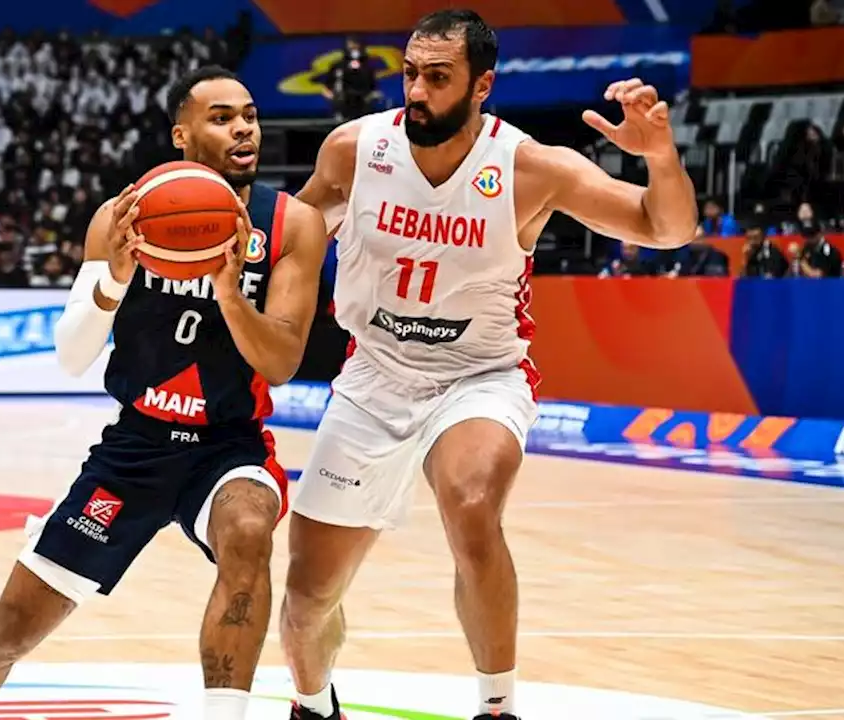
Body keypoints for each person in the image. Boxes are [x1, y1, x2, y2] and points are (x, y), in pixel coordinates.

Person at [279, 9, 697, 720]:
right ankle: (314, 707)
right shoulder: (355, 150)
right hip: (374, 375)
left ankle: (498, 709)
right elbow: (295, 234)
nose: (417, 91)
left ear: (482, 86)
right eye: (411, 74)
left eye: (438, 78)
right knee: (306, 598)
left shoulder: (530, 166)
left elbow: (666, 227)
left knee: (472, 507)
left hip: (478, 376)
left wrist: (660, 157)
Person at [0, 65, 328, 720]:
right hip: (134, 448)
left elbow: (280, 362)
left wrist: (228, 290)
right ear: (182, 134)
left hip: (228, 447)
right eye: (221, 118)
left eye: (249, 114)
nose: (243, 127)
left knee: (250, 527)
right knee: (10, 630)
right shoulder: (123, 216)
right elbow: (71, 354)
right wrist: (113, 280)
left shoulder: (293, 225)